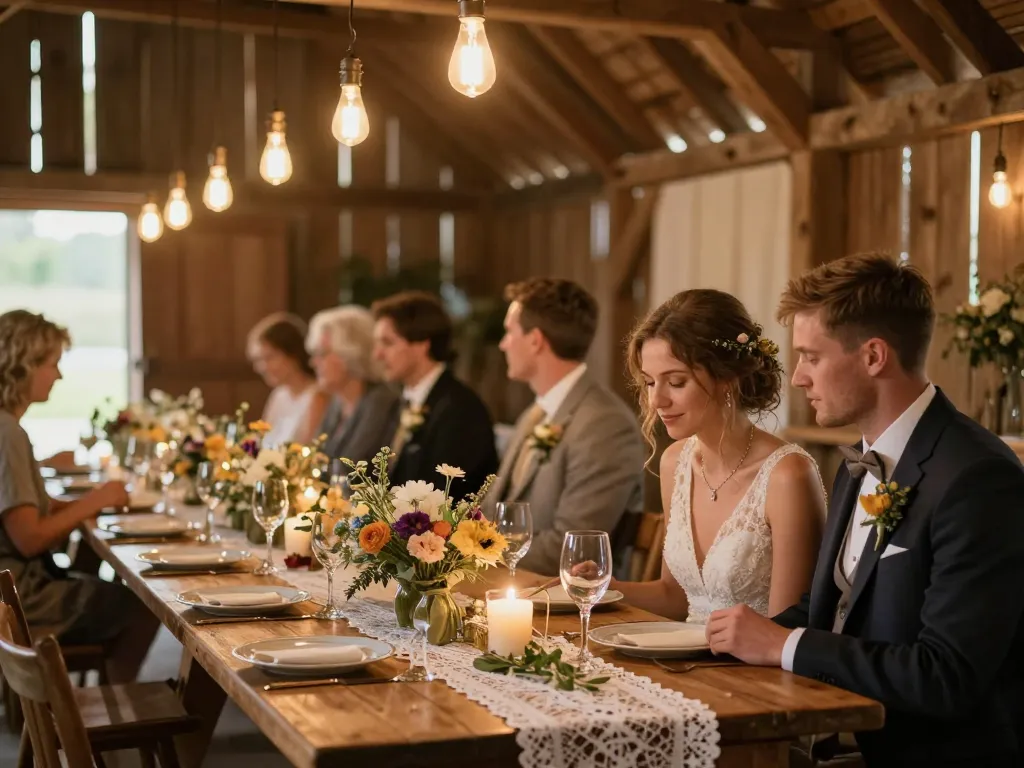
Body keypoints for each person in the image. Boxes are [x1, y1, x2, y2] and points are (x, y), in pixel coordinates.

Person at [706, 253, 1024, 768]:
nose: (798, 378)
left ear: (874, 356)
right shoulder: (859, 461)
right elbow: (832, 609)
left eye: (811, 356)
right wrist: (713, 642)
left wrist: (785, 645)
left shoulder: (977, 478)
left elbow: (945, 676)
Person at [608, 289, 825, 622]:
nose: (656, 401)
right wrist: (603, 589)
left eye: (676, 382)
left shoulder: (787, 476)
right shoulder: (675, 464)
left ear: (726, 378)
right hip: (683, 660)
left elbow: (786, 631)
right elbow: (676, 599)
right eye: (650, 383)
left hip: (752, 671)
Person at [0, 310, 158, 683]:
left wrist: (78, 504)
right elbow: (29, 538)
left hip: (15, 586)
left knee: (112, 588)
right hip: (22, 597)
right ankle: (116, 711)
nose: (58, 375)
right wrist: (95, 500)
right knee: (144, 604)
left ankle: (97, 701)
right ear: (24, 365)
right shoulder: (8, 435)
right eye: (53, 364)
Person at [483, 278, 645, 577]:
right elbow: (492, 513)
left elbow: (573, 548)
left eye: (509, 332)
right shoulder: (534, 413)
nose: (503, 344)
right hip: (513, 585)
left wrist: (473, 551)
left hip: (567, 602)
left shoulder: (604, 424)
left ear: (535, 340)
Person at [372, 291, 498, 499]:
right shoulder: (401, 402)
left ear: (422, 344)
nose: (377, 354)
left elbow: (445, 497)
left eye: (387, 342)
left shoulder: (460, 410)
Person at [307, 305, 400, 467]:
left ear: (350, 354)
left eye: (322, 353)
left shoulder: (380, 401)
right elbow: (316, 460)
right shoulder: (338, 401)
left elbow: (353, 469)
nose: (314, 362)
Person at [247, 312, 328, 446]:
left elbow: (306, 453)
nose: (262, 367)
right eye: (259, 360)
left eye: (270, 358)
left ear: (293, 354)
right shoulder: (279, 395)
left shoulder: (317, 396)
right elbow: (261, 444)